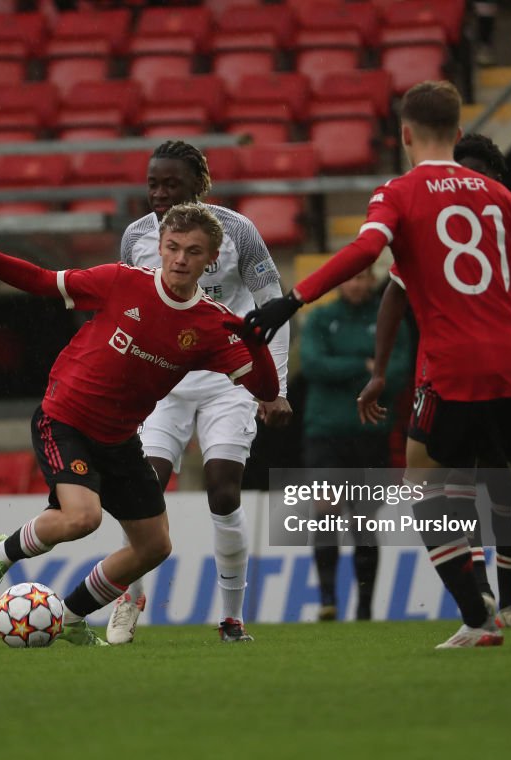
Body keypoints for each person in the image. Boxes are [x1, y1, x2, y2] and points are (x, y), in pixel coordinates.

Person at [244, 80, 511, 649]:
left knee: (426, 483)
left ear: (404, 134)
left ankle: (478, 616)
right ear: (458, 134)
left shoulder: (398, 193)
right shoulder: (498, 196)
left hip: (453, 368)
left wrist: (293, 299)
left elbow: (367, 254)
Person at [0, 203, 279, 646]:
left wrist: (255, 341)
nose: (179, 259)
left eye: (193, 252)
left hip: (119, 439)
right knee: (83, 518)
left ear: (211, 260)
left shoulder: (213, 324)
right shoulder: (121, 281)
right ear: (159, 246)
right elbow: (40, 281)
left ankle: (71, 616)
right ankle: (2, 550)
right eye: (172, 247)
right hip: (65, 418)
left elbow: (264, 388)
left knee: (154, 547)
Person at [357, 133, 511, 631]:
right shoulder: (433, 234)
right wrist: (380, 369)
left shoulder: (506, 229)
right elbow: (393, 298)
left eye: (476, 172)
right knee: (456, 487)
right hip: (446, 380)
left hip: (508, 376)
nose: (460, 181)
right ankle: (482, 599)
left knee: (509, 488)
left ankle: (508, 603)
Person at [109, 140, 292, 644]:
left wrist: (273, 388)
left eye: (171, 184)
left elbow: (272, 304)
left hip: (226, 379)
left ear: (198, 185)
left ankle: (232, 617)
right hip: (160, 381)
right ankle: (130, 596)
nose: (160, 194)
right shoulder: (136, 237)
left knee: (223, 491)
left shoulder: (237, 232)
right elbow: (126, 308)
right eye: (153, 184)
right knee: (140, 492)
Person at [301, 266, 411, 622]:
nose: (357, 283)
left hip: (372, 434)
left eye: (363, 278)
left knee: (364, 520)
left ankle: (364, 607)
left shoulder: (389, 318)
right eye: (351, 277)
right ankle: (328, 600)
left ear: (371, 281)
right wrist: (365, 367)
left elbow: (399, 370)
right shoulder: (320, 317)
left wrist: (361, 371)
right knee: (325, 511)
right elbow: (312, 364)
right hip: (327, 431)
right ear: (341, 280)